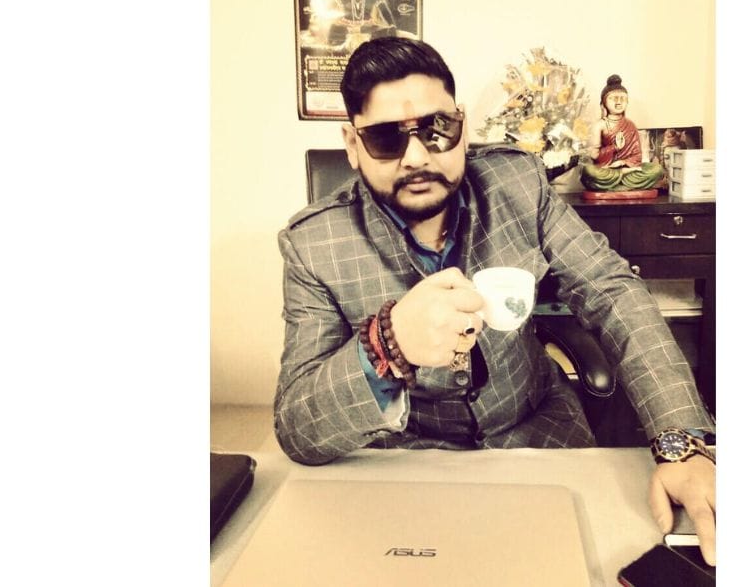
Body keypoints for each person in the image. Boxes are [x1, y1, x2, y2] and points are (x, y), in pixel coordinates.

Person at [274, 38, 717, 564]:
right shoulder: (312, 243)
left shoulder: (519, 182)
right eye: (387, 137)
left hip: (539, 434)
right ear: (352, 144)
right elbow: (298, 428)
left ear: (461, 126)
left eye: (436, 129)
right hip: (405, 461)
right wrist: (387, 346)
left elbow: (612, 290)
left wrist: (682, 440)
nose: (417, 156)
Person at [579, 74, 664, 191]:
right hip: (606, 168)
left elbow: (637, 156)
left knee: (657, 169)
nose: (619, 102)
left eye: (622, 99)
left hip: (628, 169)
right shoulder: (599, 125)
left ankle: (619, 181)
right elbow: (594, 155)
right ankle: (623, 181)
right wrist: (615, 147)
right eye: (614, 98)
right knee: (589, 171)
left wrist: (623, 162)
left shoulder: (630, 125)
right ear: (603, 103)